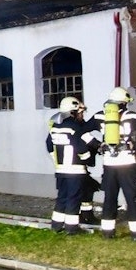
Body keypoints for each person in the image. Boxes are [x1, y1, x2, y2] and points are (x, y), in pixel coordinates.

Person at [88, 87, 136, 240]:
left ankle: (108, 232)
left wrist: (97, 145)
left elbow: (82, 132)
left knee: (110, 198)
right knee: (131, 198)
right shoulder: (132, 116)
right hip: (127, 163)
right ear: (124, 103)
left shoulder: (100, 116)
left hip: (109, 164)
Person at [46, 97, 92, 234]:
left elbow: (49, 146)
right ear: (73, 111)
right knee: (74, 198)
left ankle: (56, 225)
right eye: (79, 112)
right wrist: (87, 159)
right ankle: (72, 228)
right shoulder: (75, 127)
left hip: (60, 170)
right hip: (75, 170)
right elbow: (81, 147)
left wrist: (57, 160)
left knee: (62, 197)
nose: (81, 115)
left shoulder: (55, 127)